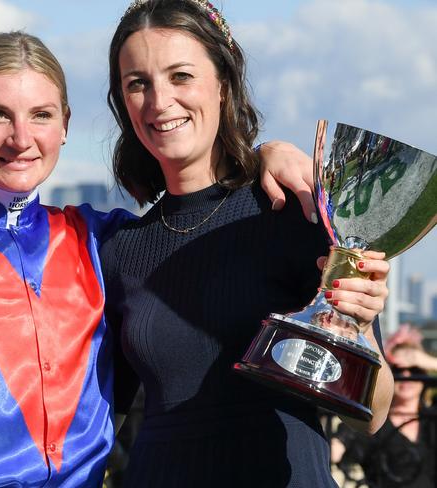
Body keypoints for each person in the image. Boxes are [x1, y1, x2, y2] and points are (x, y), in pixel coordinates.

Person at [0, 30, 325, 487]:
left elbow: (194, 221)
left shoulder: (99, 240)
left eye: (40, 115)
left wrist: (263, 156)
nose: (21, 139)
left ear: (64, 124)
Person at [101, 1, 394, 486]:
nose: (159, 101)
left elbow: (372, 414)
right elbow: (96, 414)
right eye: (138, 84)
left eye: (180, 76)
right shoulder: (119, 250)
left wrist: (360, 331)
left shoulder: (292, 212)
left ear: (223, 84)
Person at [332, 324, 436, 487]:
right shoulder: (374, 423)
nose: (407, 375)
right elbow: (335, 453)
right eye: (398, 370)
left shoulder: (431, 418)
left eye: (415, 369)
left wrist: (427, 361)